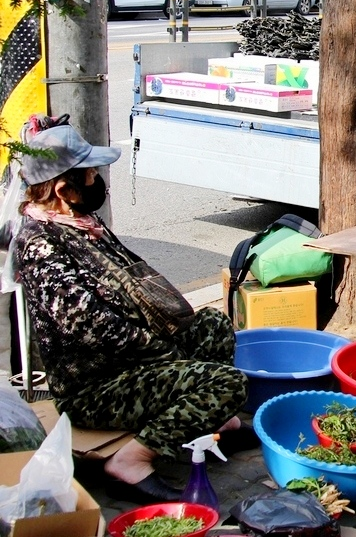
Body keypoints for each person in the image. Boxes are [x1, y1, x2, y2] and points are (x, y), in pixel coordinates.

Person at [12, 122, 252, 504]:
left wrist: (168, 333)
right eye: (89, 174)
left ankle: (209, 418)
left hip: (129, 360)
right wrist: (164, 351)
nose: (96, 180)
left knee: (213, 325)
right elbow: (94, 328)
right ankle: (132, 461)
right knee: (228, 383)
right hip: (96, 386)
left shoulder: (80, 223)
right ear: (63, 189)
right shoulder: (42, 246)